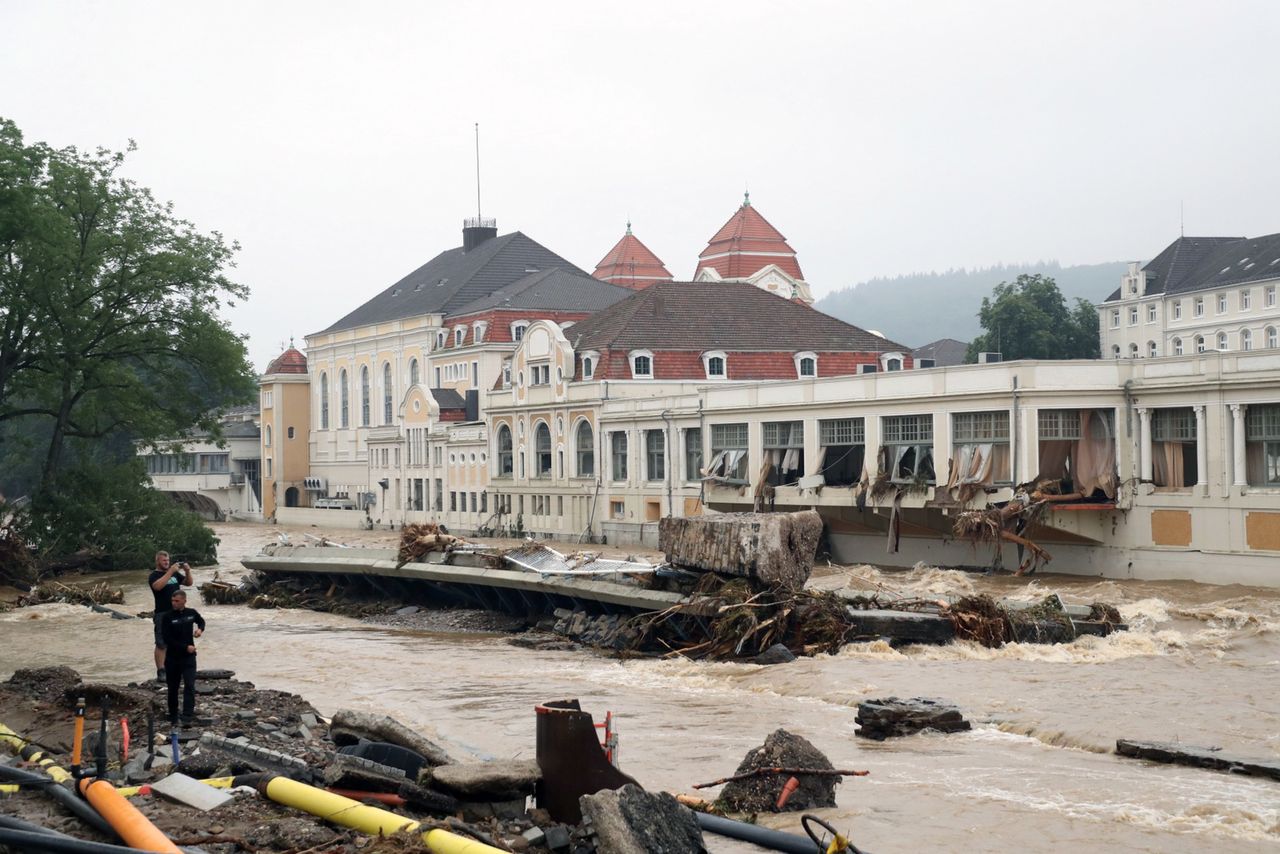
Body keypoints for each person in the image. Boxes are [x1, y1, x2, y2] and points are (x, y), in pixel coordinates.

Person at [160, 588, 205, 726]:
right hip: (173, 658)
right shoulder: (167, 617)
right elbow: (167, 639)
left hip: (189, 658)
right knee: (173, 688)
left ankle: (187, 715)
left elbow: (201, 621)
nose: (174, 603)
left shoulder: (191, 613)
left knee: (190, 685)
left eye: (177, 601)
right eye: (172, 601)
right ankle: (173, 715)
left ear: (184, 601)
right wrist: (185, 647)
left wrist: (199, 629)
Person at [149, 551, 194, 680]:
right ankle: (161, 671)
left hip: (178, 613)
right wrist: (170, 571)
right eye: (164, 560)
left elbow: (188, 583)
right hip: (162, 613)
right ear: (157, 561)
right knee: (161, 643)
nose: (167, 562)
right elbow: (157, 587)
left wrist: (187, 571)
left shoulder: (174, 574)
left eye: (168, 560)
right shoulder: (154, 575)